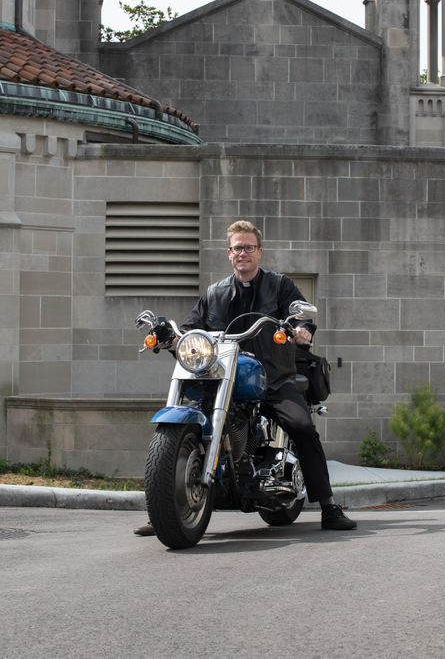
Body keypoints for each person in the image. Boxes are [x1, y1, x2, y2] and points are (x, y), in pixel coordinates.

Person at [135, 220, 356, 535]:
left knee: (302, 427)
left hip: (272, 378)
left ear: (259, 252)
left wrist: (301, 329)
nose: (243, 253)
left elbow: (300, 317)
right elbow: (191, 328)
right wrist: (172, 337)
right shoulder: (215, 293)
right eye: (237, 248)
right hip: (222, 378)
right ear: (229, 253)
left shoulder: (279, 286)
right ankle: (163, 510)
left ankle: (329, 507)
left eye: (249, 247)